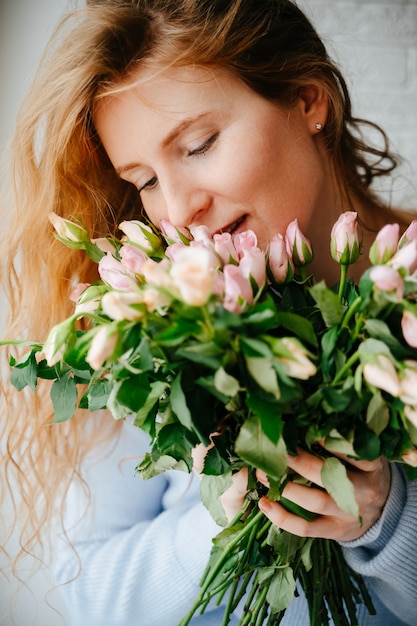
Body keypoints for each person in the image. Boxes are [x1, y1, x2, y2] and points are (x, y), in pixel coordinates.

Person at [1, 1, 416, 624]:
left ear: (307, 99)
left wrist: (389, 521)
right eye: (142, 179)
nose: (177, 209)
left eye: (199, 145)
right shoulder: (145, 319)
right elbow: (92, 596)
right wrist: (234, 502)